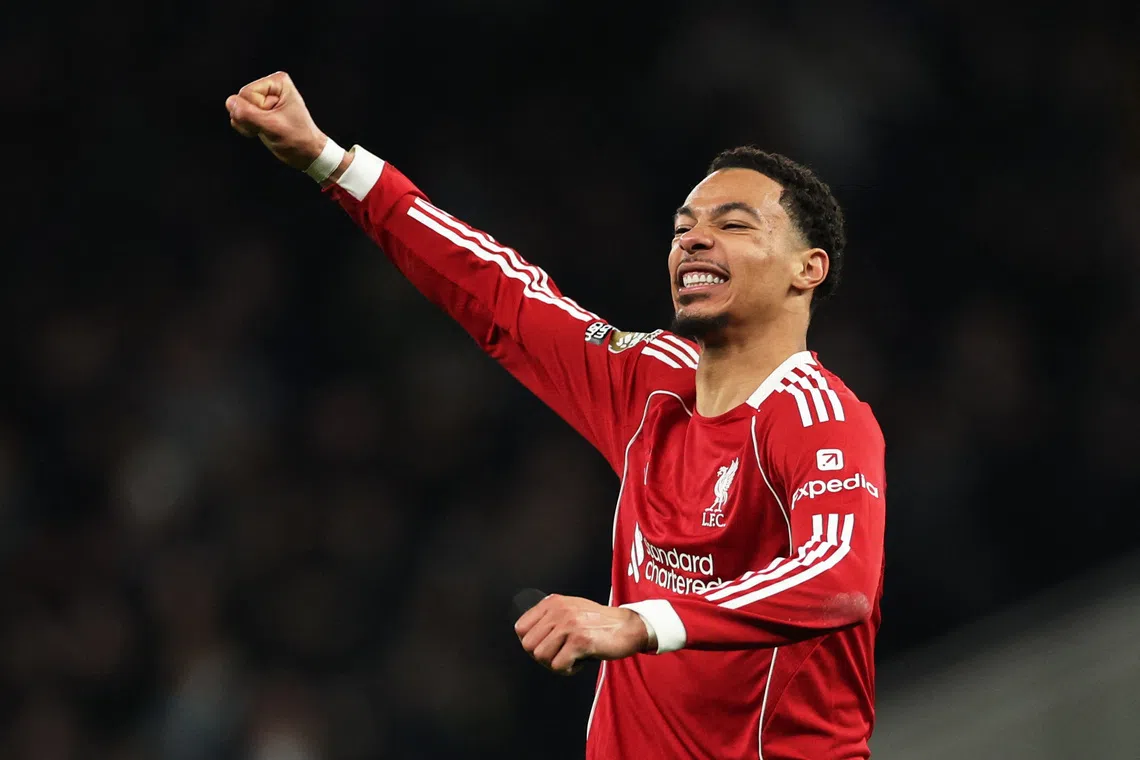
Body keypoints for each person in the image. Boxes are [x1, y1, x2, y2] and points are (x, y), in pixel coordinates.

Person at [226, 71, 886, 760]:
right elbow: (497, 290)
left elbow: (838, 579)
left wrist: (640, 622)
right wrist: (325, 157)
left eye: (733, 224)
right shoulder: (648, 383)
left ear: (806, 269)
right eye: (682, 227)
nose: (692, 240)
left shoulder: (819, 420)